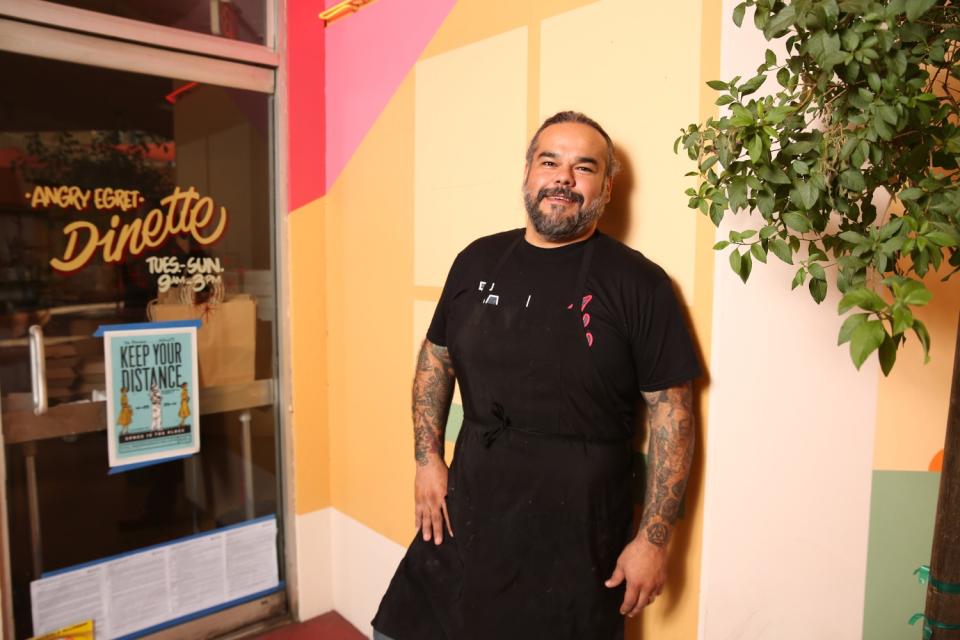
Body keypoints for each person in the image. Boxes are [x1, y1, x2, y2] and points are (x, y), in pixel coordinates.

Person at [372, 111, 701, 640]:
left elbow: (673, 411)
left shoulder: (641, 284)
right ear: (528, 172)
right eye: (550, 161)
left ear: (607, 188)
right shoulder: (476, 261)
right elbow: (436, 358)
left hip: (576, 532)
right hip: (470, 507)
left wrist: (655, 539)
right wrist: (427, 456)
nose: (564, 179)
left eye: (584, 167)